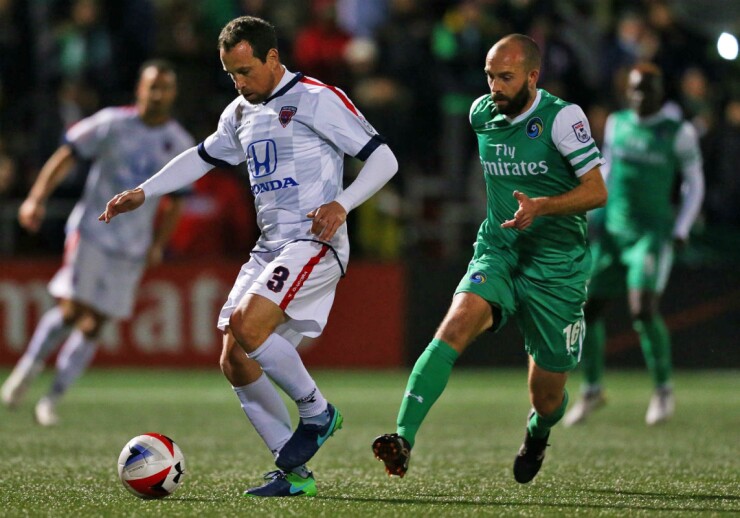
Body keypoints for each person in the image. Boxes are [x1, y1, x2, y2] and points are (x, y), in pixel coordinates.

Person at [99, 16, 398, 497]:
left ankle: (318, 412)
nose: (239, 83)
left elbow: (384, 158)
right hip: (271, 246)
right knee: (235, 358)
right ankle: (294, 474)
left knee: (247, 324)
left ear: (273, 58)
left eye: (246, 71)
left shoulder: (318, 99)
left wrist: (343, 203)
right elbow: (202, 156)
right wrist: (145, 191)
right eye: (231, 74)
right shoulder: (240, 111)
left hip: (314, 241)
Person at [372, 33, 607, 484]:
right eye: (489, 76)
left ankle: (537, 434)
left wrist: (542, 206)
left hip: (557, 266)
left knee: (547, 398)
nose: (494, 87)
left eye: (506, 77)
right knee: (455, 325)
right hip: (499, 250)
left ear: (532, 77)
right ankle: (402, 437)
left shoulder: (562, 119)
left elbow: (597, 191)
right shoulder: (482, 114)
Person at [1, 60, 193, 425]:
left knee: (96, 324)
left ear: (173, 94)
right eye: (152, 86)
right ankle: (27, 370)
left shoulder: (179, 143)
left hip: (132, 246)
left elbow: (176, 200)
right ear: (139, 89)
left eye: (165, 88)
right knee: (72, 311)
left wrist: (157, 244)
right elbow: (66, 153)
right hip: (92, 231)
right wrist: (36, 198)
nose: (157, 95)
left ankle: (51, 399)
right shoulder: (111, 123)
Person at [564, 63, 704, 427]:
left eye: (648, 90)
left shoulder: (678, 132)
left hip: (650, 235)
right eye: (636, 89)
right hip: (612, 232)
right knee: (588, 309)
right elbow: (608, 166)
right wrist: (593, 210)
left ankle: (662, 389)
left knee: (642, 309)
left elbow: (694, 182)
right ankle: (592, 389)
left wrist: (682, 226)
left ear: (662, 93)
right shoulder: (617, 123)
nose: (641, 96)